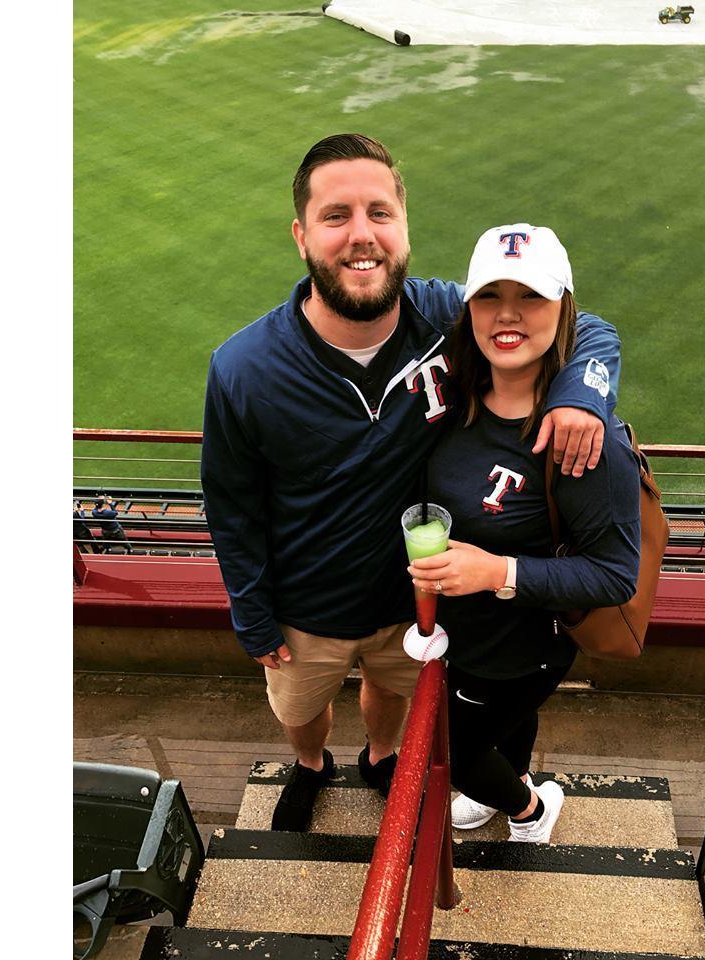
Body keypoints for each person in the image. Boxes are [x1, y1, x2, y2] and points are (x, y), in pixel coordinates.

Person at [200, 134, 622, 833]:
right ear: (301, 235)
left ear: (404, 228)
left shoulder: (449, 316)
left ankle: (379, 756)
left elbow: (587, 328)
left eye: (379, 213)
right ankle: (310, 765)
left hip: (419, 598)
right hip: (305, 606)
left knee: (394, 698)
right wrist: (250, 607)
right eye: (336, 216)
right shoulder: (243, 367)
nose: (360, 235)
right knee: (301, 711)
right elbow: (231, 503)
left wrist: (582, 395)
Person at [409, 224, 641, 843]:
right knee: (501, 731)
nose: (507, 314)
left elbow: (615, 574)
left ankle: (529, 811)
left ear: (563, 308)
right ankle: (513, 778)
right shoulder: (454, 397)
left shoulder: (585, 440)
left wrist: (496, 572)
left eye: (531, 296)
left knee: (456, 752)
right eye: (490, 296)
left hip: (524, 648)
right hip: (459, 633)